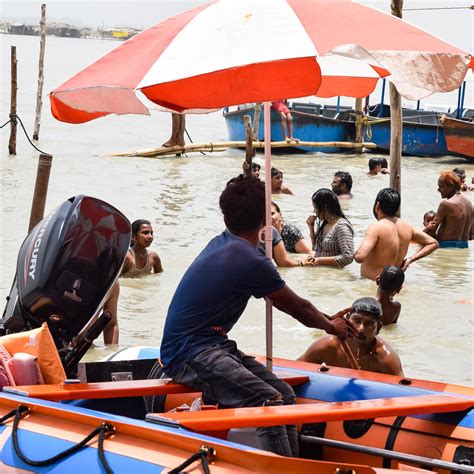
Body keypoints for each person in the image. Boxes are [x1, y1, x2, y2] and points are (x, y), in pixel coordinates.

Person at [160, 176, 356, 457]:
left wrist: (327, 319)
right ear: (265, 217)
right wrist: (330, 326)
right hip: (189, 350)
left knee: (285, 396)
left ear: (226, 216)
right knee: (268, 399)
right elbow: (296, 307)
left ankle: (289, 462)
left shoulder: (225, 243)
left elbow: (286, 301)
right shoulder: (249, 259)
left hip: (212, 344)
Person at [298, 297, 404, 376]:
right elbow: (293, 371)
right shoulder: (328, 346)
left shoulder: (386, 357)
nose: (361, 329)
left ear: (379, 328)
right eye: (357, 320)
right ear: (347, 319)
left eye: (369, 324)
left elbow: (403, 395)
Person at [355, 188, 438, 280]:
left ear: (377, 206)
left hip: (373, 285)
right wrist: (410, 260)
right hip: (395, 286)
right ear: (397, 208)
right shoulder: (407, 227)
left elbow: (360, 257)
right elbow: (433, 243)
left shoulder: (376, 227)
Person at [103, 220, 163, 345]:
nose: (150, 236)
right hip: (129, 301)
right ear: (134, 236)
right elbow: (114, 282)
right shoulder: (127, 258)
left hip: (145, 301)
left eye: (152, 233)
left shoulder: (153, 258)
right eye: (145, 233)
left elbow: (160, 279)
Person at [424, 171, 474, 248]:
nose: (438, 190)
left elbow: (432, 231)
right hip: (464, 248)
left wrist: (426, 229)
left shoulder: (445, 204)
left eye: (441, 186)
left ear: (451, 186)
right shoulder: (470, 205)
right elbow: (471, 236)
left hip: (445, 247)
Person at [306, 188, 354, 267]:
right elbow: (316, 249)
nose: (314, 211)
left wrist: (320, 260)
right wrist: (311, 228)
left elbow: (348, 257)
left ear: (325, 207)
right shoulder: (325, 224)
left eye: (315, 207)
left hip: (333, 276)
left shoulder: (341, 226)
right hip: (322, 274)